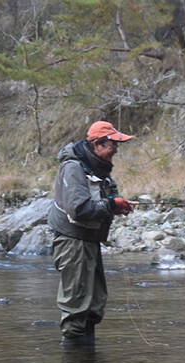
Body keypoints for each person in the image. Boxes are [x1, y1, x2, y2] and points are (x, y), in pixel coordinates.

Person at [47, 121, 135, 346]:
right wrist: (111, 206)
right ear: (97, 144)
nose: (116, 150)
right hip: (73, 242)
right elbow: (78, 209)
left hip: (88, 241)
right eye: (112, 145)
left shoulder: (97, 166)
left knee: (93, 306)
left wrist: (117, 205)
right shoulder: (74, 167)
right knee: (77, 308)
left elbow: (103, 200)